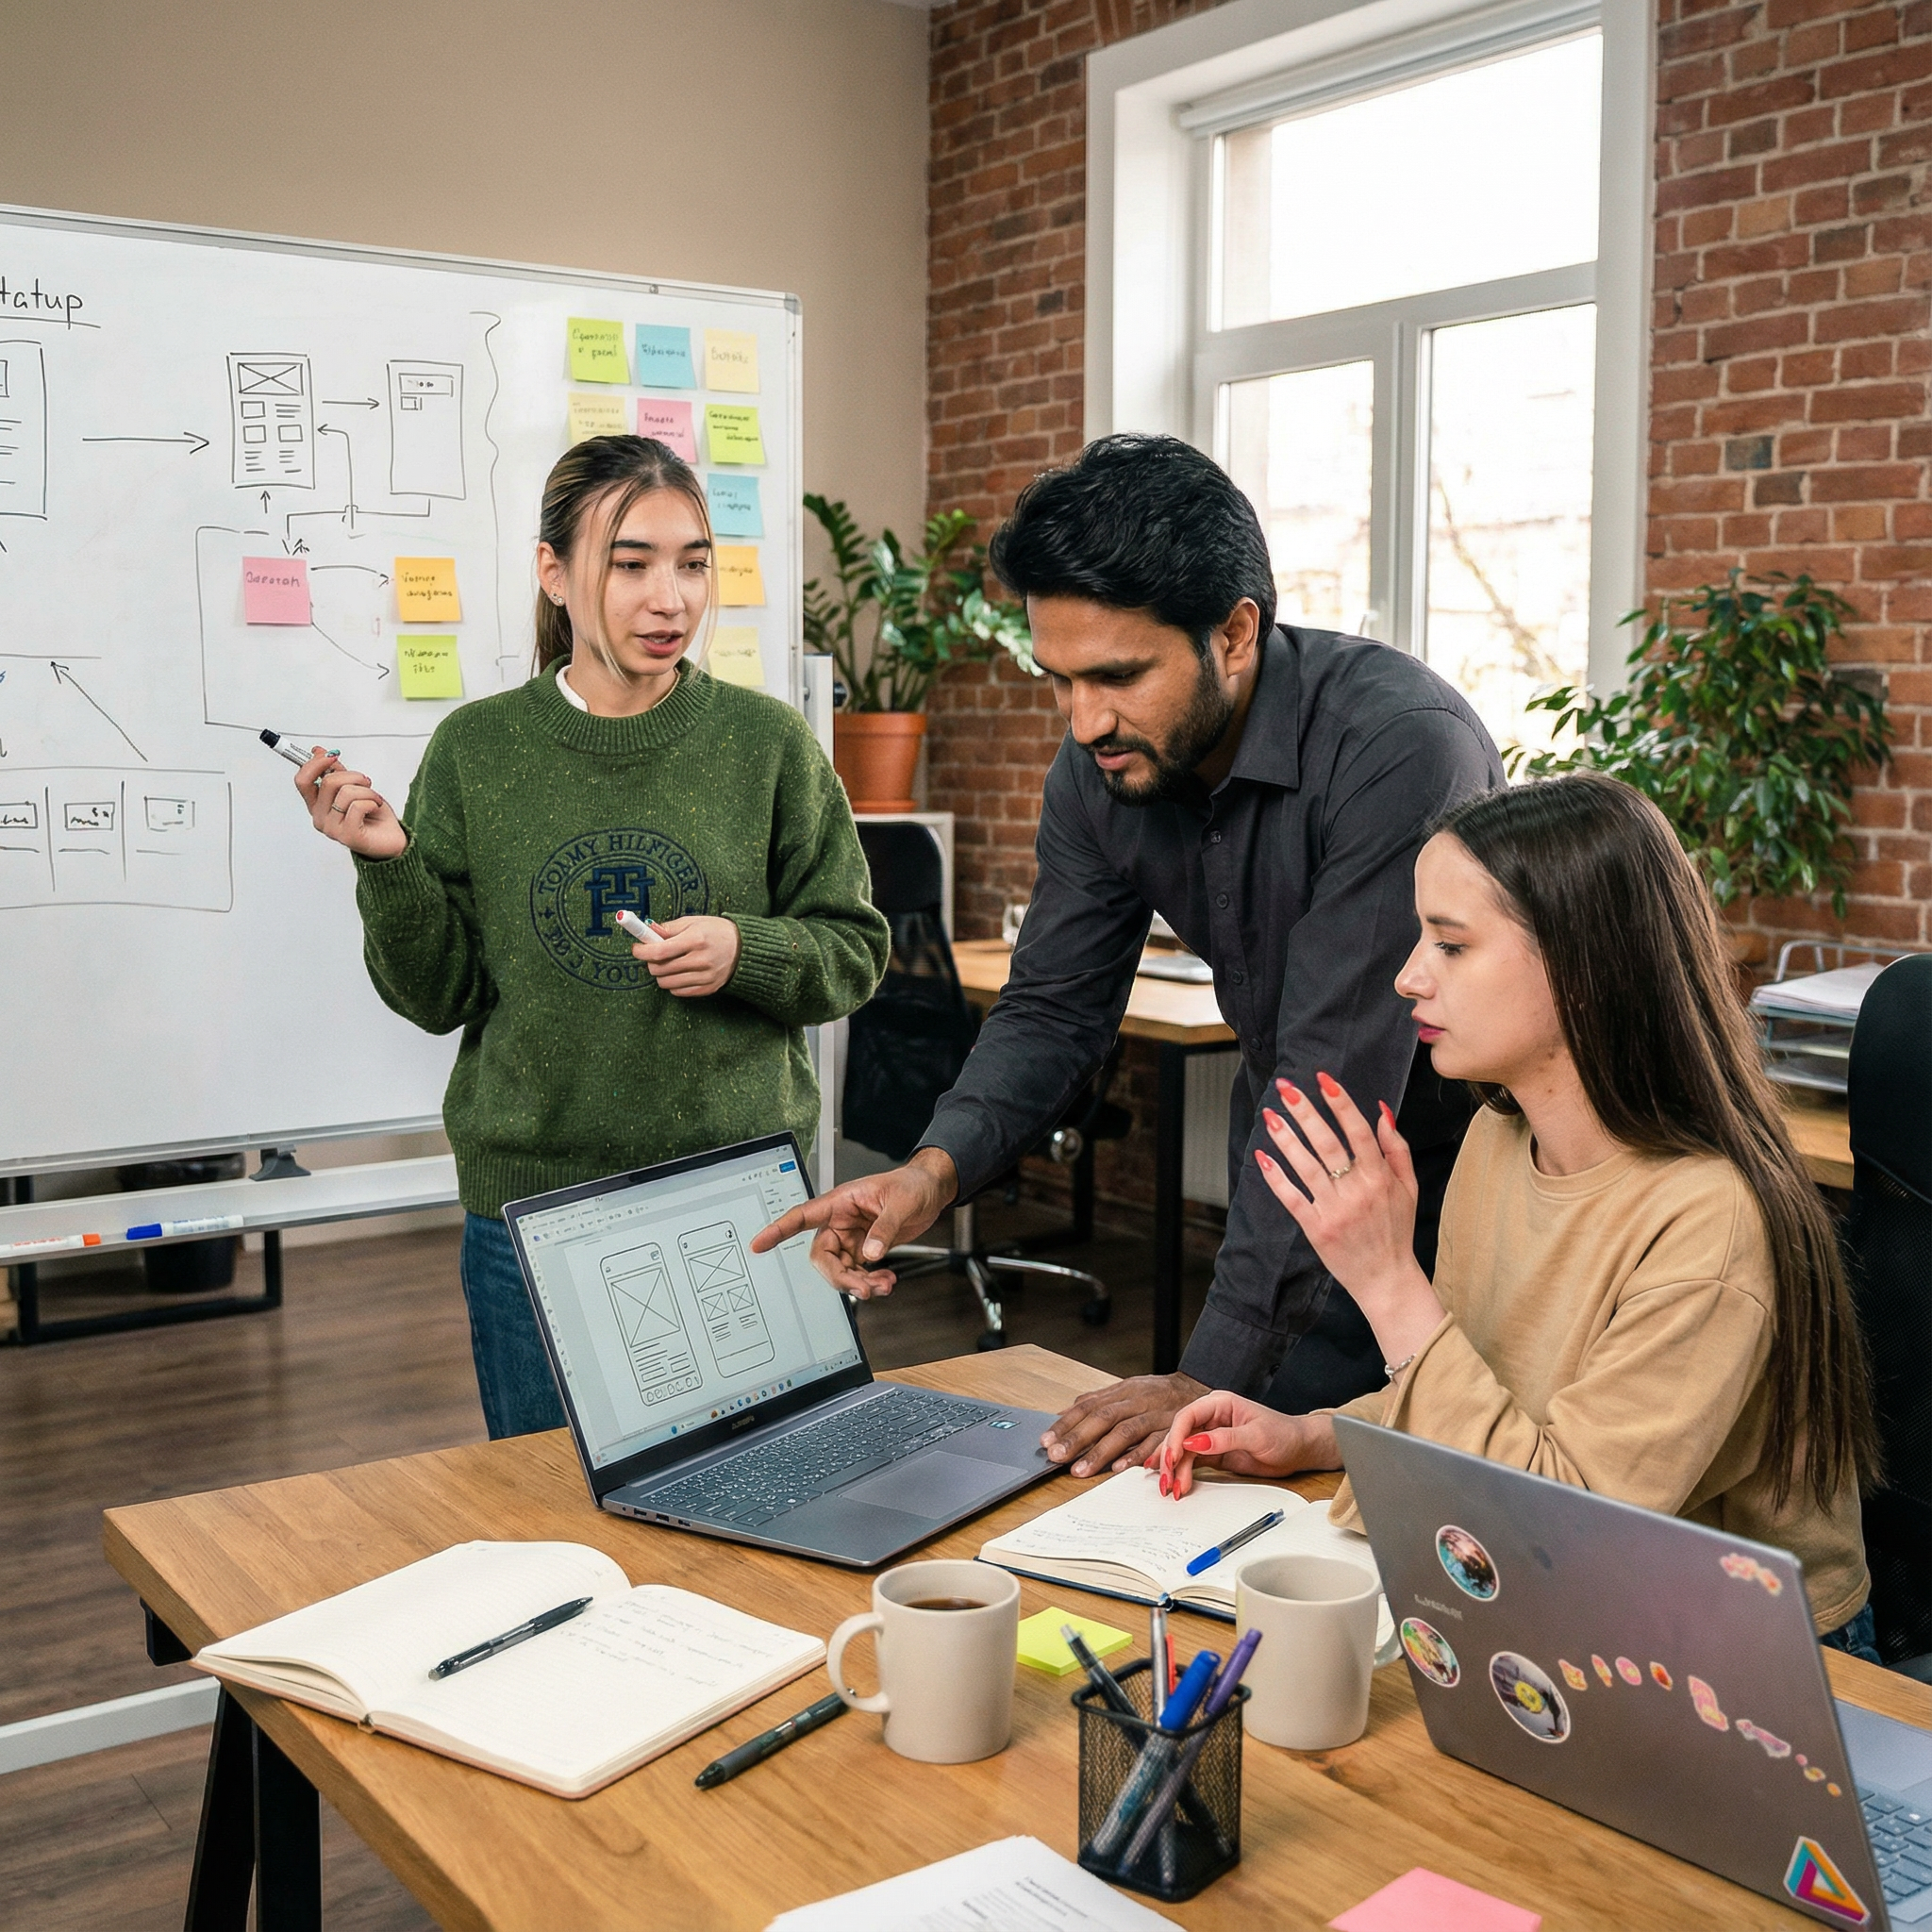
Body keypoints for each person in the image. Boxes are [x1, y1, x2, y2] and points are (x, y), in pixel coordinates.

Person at [755, 434, 1502, 1474]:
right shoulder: (1100, 763)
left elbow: (1330, 1081)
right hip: (1298, 1172)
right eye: (1056, 676)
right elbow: (1053, 1009)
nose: (1083, 719)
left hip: (1463, 1192)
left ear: (1234, 633)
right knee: (1248, 1494)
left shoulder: (1398, 745)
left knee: (1435, 1503)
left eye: (1116, 674)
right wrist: (931, 1172)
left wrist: (1204, 1374)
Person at [1152, 774, 1876, 1648]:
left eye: (1450, 945)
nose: (1408, 977)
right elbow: (1480, 1401)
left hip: (1753, 1657)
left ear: (1581, 966)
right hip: (1567, 1588)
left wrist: (1389, 1284)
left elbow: (1559, 1527)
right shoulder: (1500, 1141)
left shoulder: (1707, 1221)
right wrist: (1311, 1436)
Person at [294, 435, 889, 1439]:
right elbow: (438, 995)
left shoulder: (767, 743)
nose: (671, 598)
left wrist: (749, 951)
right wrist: (388, 861)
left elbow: (854, 950)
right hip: (533, 1218)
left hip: (742, 1202)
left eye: (692, 562)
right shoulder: (477, 750)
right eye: (631, 563)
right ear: (553, 572)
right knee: (559, 1528)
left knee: (782, 1492)